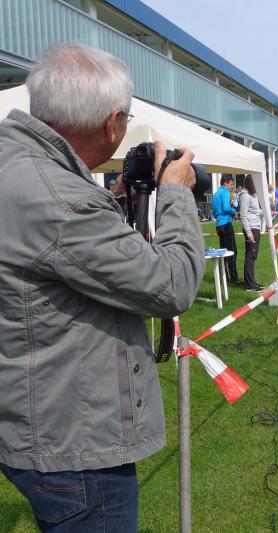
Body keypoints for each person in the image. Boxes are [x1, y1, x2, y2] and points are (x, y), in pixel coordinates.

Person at [0, 43, 204, 531]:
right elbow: (172, 284)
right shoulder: (64, 201)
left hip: (32, 413)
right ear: (113, 123)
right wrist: (175, 192)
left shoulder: (17, 165)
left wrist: (111, 202)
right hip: (78, 439)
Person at [213, 175, 241, 284]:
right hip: (226, 224)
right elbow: (226, 208)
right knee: (232, 250)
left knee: (223, 251)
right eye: (231, 184)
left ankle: (224, 276)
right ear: (225, 183)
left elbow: (215, 211)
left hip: (219, 225)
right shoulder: (225, 192)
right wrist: (234, 211)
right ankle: (234, 277)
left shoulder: (216, 194)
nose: (232, 187)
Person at [240, 175, 265, 292]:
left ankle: (251, 282)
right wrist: (249, 233)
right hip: (251, 228)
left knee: (252, 256)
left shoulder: (253, 196)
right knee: (251, 255)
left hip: (256, 227)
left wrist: (266, 212)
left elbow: (256, 211)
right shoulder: (245, 196)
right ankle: (250, 285)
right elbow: (243, 216)